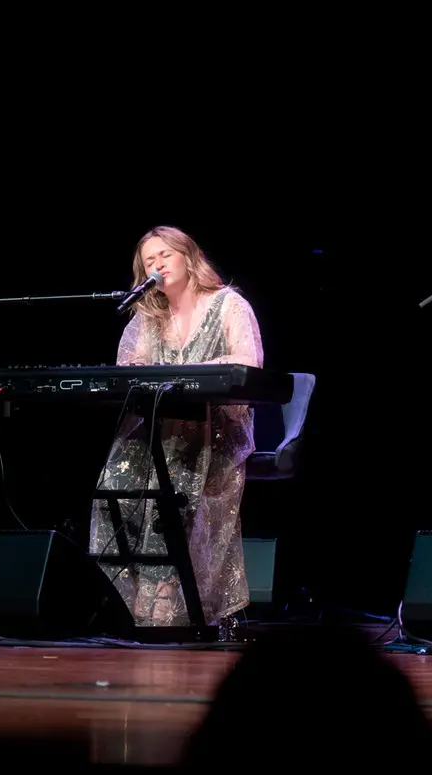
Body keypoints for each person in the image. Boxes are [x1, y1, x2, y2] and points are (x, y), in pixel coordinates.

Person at [89, 225, 265, 628]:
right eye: (149, 260)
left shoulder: (229, 305)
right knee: (115, 484)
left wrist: (190, 373)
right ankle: (136, 590)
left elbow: (248, 363)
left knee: (178, 483)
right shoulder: (148, 316)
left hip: (215, 429)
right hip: (158, 426)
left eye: (165, 255)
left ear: (189, 257)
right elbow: (128, 367)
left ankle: (170, 590)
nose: (158, 265)